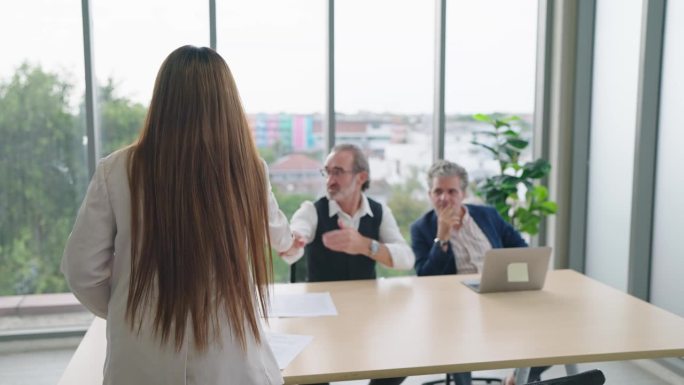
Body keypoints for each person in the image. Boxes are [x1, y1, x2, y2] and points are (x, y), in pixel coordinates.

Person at [61, 46, 294, 385]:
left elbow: (81, 270)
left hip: (140, 359)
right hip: (230, 361)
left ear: (163, 100)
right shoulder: (249, 171)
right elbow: (277, 233)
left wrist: (128, 310)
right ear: (227, 104)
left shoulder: (117, 171)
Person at [280, 143, 413, 385]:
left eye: (338, 171)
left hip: (366, 311)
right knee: (311, 373)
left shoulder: (379, 212)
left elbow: (406, 258)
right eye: (327, 172)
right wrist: (294, 242)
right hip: (322, 316)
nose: (330, 179)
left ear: (361, 177)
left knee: (402, 358)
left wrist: (366, 245)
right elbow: (298, 233)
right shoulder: (312, 210)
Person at [410, 159, 548, 385]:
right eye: (438, 191)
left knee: (553, 328)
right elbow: (425, 277)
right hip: (452, 307)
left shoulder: (487, 215)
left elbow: (521, 249)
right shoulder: (421, 228)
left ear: (463, 193)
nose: (444, 198)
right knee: (456, 332)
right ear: (429, 194)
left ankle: (518, 378)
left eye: (451, 191)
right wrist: (441, 237)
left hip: (498, 294)